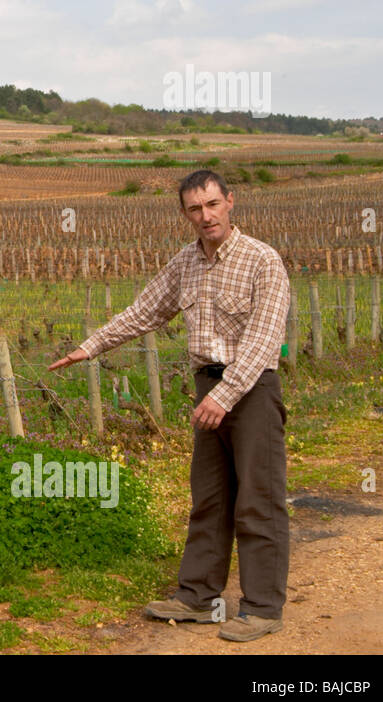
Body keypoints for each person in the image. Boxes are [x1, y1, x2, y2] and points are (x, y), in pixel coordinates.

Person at [47, 170, 291, 642]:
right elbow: (145, 311)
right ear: (185, 214)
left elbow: (264, 340)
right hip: (207, 387)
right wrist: (91, 346)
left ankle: (262, 608)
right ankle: (198, 597)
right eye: (195, 209)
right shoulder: (185, 263)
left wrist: (225, 395)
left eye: (213, 204)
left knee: (258, 500)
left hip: (252, 391)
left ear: (230, 203)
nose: (206, 216)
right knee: (210, 498)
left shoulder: (263, 260)